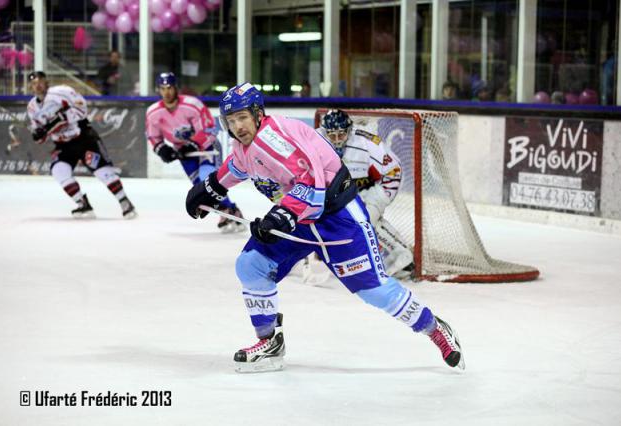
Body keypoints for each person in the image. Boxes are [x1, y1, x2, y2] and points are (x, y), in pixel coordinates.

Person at [185, 82, 465, 373]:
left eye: (242, 117)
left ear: (257, 114)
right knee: (251, 265)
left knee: (375, 291)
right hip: (300, 218)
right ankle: (269, 342)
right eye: (230, 121)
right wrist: (211, 187)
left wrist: (281, 215)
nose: (237, 126)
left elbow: (312, 183)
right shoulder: (246, 144)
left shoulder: (274, 139)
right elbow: (238, 166)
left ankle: (434, 329)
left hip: (337, 219)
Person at [27, 71, 137, 219]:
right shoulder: (32, 108)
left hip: (84, 139)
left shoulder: (62, 92)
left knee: (102, 172)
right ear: (30, 87)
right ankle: (82, 204)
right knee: (59, 171)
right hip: (63, 146)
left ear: (47, 83)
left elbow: (82, 108)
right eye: (34, 84)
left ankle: (125, 202)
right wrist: (38, 134)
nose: (38, 86)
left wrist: (57, 121)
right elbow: (40, 134)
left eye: (40, 82)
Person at [317, 109, 413, 277]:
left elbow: (393, 169)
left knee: (364, 220)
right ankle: (394, 253)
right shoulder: (316, 140)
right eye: (333, 136)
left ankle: (402, 256)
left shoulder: (365, 143)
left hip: (378, 186)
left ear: (349, 130)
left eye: (342, 135)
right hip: (351, 191)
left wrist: (379, 198)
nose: (338, 141)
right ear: (325, 132)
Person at [146, 72, 244, 232]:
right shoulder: (153, 112)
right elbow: (153, 136)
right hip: (184, 154)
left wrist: (192, 144)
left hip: (207, 148)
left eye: (169, 88)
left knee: (207, 179)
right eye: (163, 89)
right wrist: (162, 149)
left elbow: (209, 129)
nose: (167, 92)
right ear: (158, 90)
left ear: (176, 88)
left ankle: (229, 211)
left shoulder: (193, 105)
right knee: (200, 188)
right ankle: (229, 210)